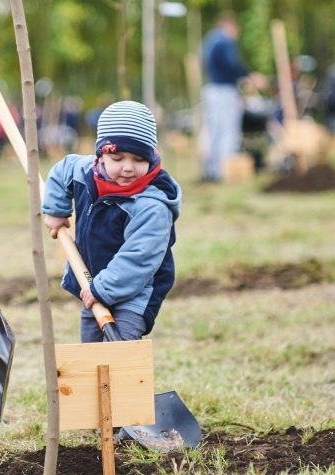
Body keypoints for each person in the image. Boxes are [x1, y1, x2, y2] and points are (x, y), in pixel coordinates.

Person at [42, 101, 181, 342]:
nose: (128, 168)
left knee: (119, 348)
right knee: (91, 349)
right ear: (101, 155)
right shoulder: (84, 171)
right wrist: (56, 211)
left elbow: (139, 257)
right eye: (117, 158)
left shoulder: (151, 205)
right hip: (92, 281)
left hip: (137, 289)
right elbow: (61, 171)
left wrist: (101, 289)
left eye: (139, 159)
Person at [200, 11, 265, 182]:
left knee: (214, 130)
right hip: (224, 90)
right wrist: (248, 75)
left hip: (211, 89)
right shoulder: (224, 40)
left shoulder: (209, 39)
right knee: (229, 130)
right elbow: (231, 63)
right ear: (231, 26)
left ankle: (212, 170)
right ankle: (227, 170)